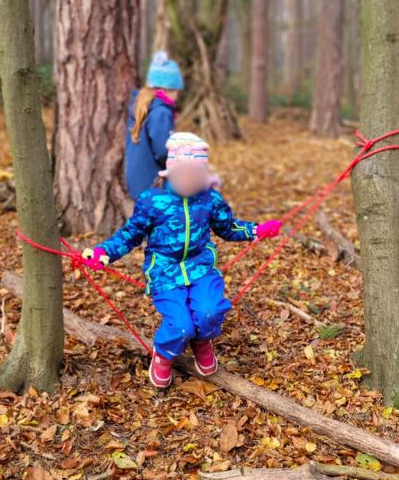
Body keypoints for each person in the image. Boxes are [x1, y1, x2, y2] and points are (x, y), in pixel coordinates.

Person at [83, 131, 282, 389]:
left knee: (210, 312)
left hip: (200, 269)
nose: (189, 180)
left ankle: (203, 342)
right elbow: (130, 234)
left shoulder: (210, 200)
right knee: (181, 327)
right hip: (165, 273)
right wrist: (105, 252)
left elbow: (228, 227)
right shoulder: (153, 201)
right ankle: (164, 355)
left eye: (195, 174)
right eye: (183, 174)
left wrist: (256, 230)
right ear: (171, 173)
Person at [125, 51, 184, 200]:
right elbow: (163, 151)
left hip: (137, 182)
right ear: (166, 89)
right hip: (153, 184)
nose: (177, 95)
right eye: (176, 91)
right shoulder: (161, 112)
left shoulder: (141, 105)